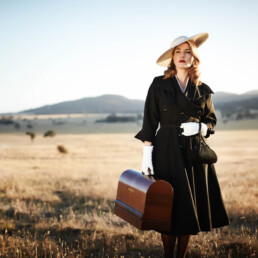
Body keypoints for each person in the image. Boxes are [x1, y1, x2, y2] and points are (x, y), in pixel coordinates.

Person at [135, 32, 229, 258]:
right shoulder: (159, 84)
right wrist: (147, 156)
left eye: (187, 52)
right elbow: (150, 121)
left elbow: (211, 121)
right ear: (172, 56)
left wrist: (201, 128)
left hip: (193, 152)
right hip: (166, 150)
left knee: (188, 208)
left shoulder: (202, 89)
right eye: (178, 51)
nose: (182, 56)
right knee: (169, 207)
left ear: (194, 57)